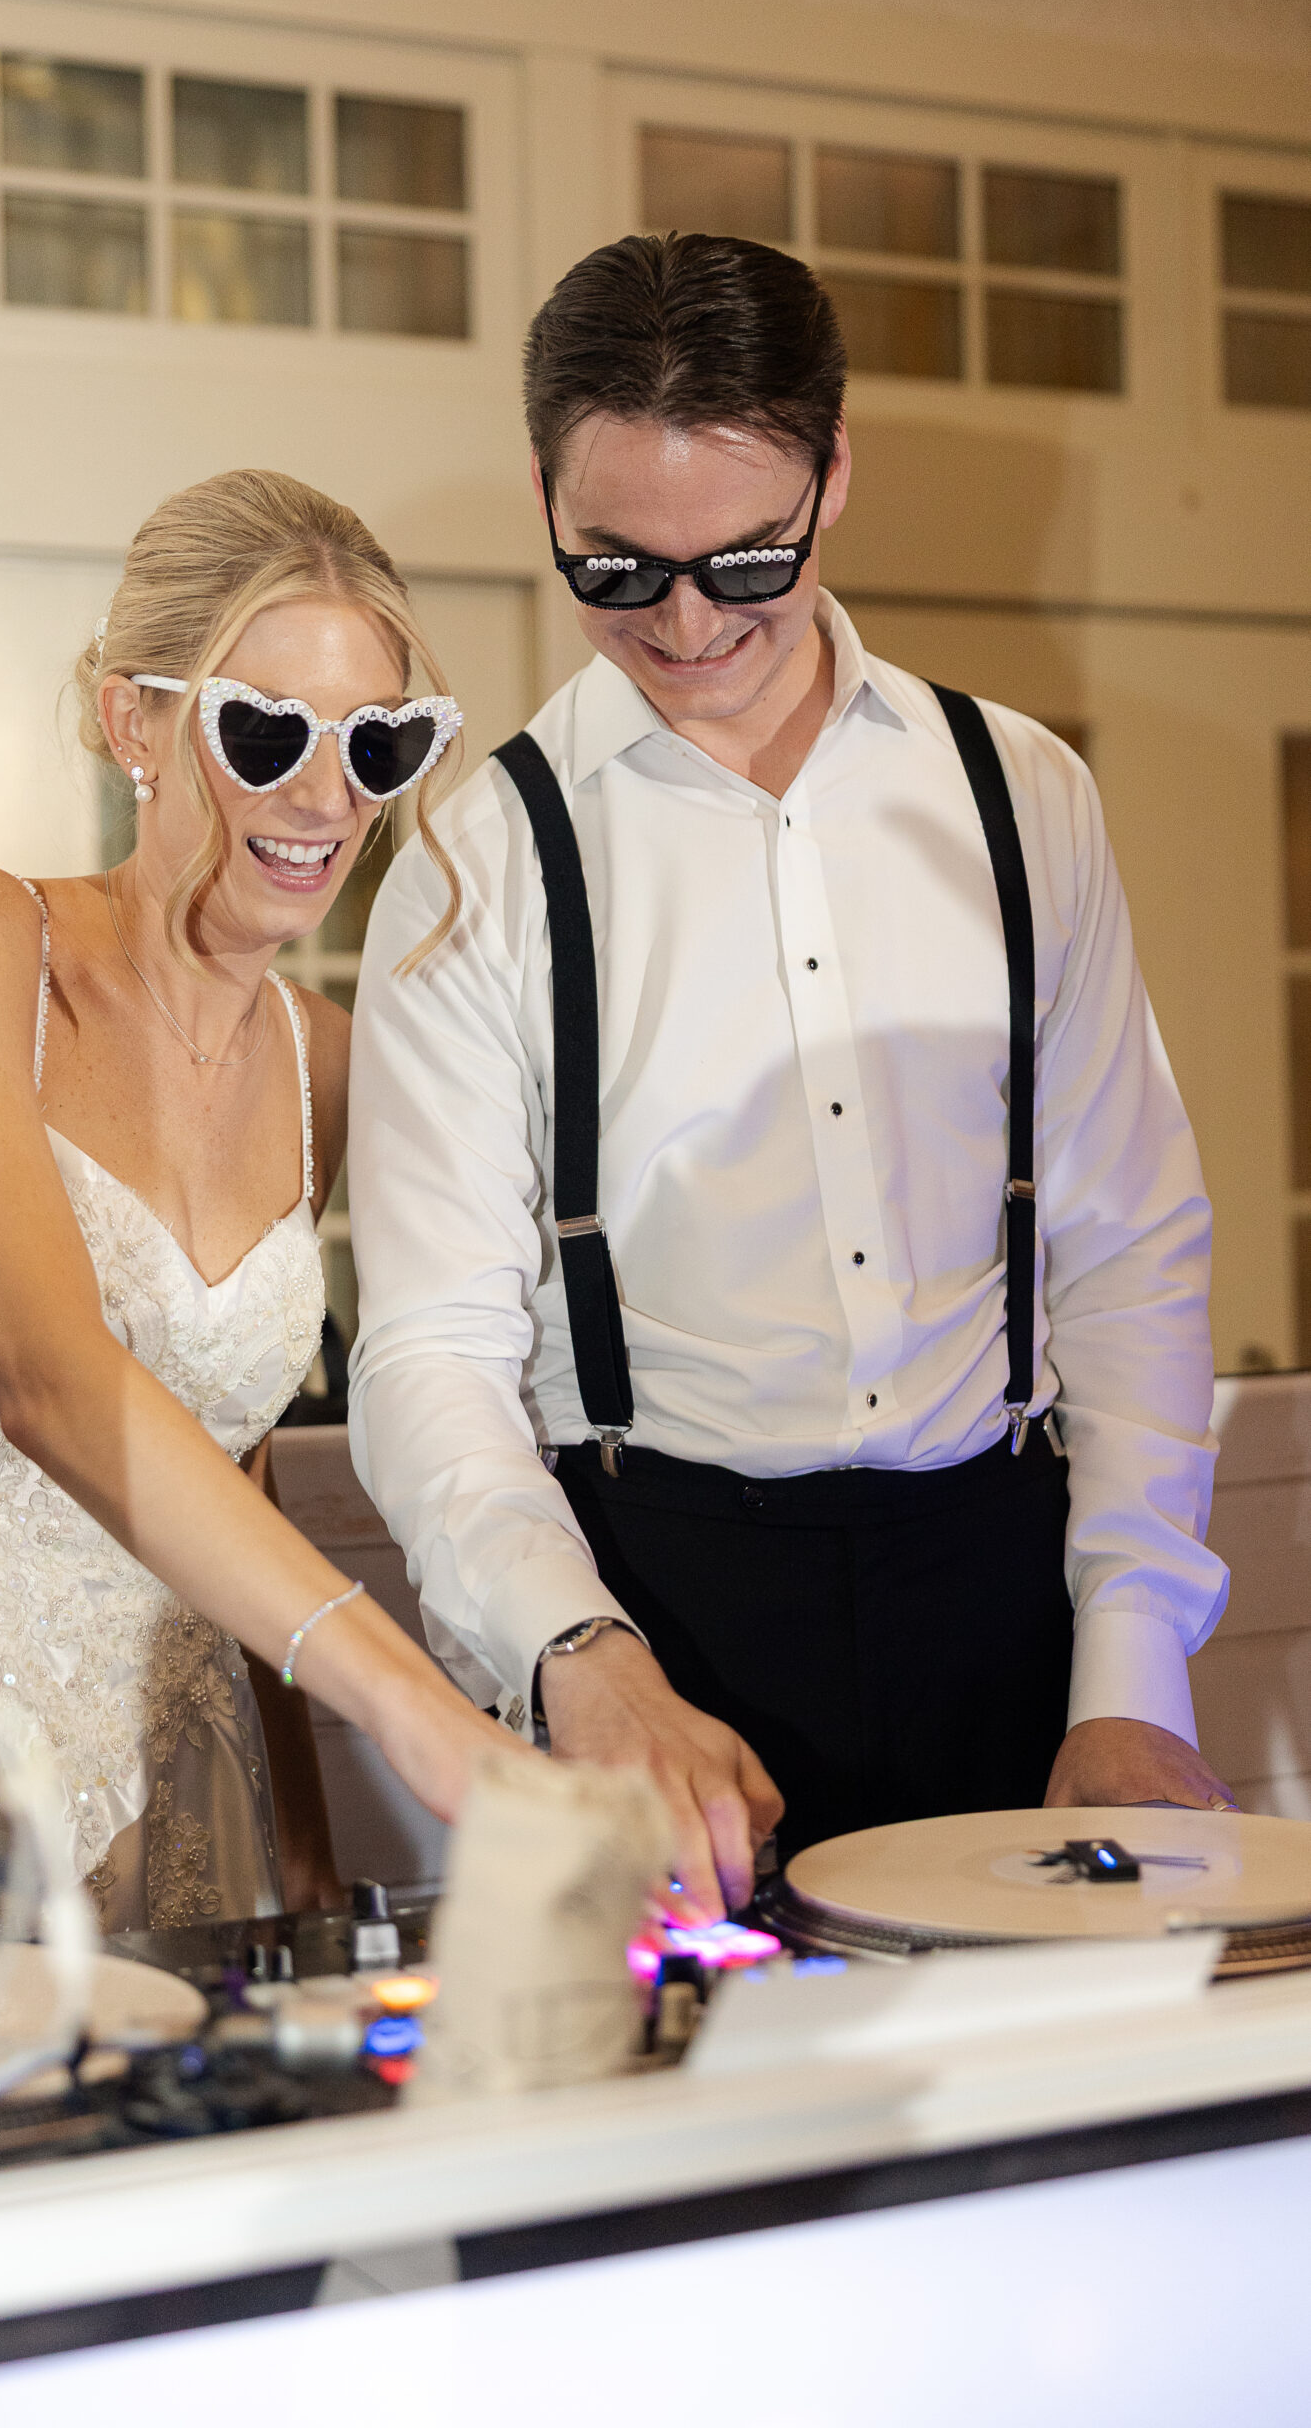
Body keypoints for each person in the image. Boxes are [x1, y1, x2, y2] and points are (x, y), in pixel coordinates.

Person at [347, 233, 1234, 1927]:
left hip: (1010, 1615)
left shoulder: (1020, 797)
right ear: (545, 498)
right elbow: (431, 1350)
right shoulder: (481, 866)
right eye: (615, 570)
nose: (686, 626)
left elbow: (1127, 1251)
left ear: (837, 480)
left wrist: (1131, 1672)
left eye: (746, 561)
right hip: (656, 1632)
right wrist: (572, 1654)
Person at [0, 468, 508, 1934]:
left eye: (377, 745)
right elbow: (53, 1385)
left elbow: (233, 1464)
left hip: (201, 1792)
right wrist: (416, 1712)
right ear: (137, 719)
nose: (329, 800)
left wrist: (302, 1826)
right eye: (266, 733)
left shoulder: (334, 1070)